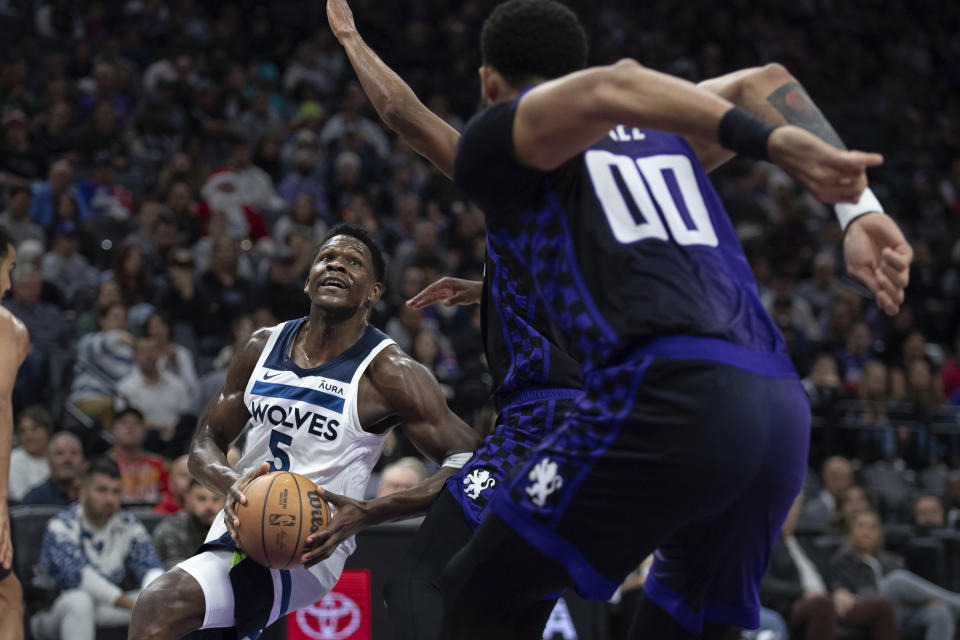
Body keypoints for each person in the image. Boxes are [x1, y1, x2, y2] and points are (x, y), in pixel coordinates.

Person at [327, 1, 911, 638]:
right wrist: (858, 208)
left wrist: (772, 144)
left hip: (665, 402)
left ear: (489, 83)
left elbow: (406, 113)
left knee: (457, 590)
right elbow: (762, 80)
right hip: (777, 415)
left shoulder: (501, 143)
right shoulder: (660, 140)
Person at [328, 3, 584, 637]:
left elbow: (402, 116)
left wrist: (348, 34)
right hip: (598, 427)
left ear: (490, 81)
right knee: (509, 608)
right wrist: (489, 288)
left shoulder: (518, 166)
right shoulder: (599, 171)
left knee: (420, 582)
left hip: (538, 424)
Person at [128, 224, 479, 639]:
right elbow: (206, 441)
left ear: (374, 293)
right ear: (308, 279)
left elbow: (468, 461)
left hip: (310, 545)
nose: (337, 265)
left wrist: (369, 513)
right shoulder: (262, 346)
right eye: (327, 258)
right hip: (242, 521)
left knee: (160, 605)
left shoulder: (389, 372)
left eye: (354, 262)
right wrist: (233, 482)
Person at [30, 457, 164, 640]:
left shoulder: (127, 524)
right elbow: (82, 578)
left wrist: (155, 599)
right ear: (82, 492)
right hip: (52, 611)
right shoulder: (61, 526)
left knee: (162, 600)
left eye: (116, 492)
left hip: (106, 606)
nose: (110, 499)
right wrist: (134, 606)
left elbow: (151, 565)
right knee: (80, 601)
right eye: (102, 490)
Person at [761, 494, 897, 640]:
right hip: (793, 605)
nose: (790, 513)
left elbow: (830, 572)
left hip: (827, 600)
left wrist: (840, 590)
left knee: (882, 606)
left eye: (793, 509)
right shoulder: (766, 545)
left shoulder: (806, 543)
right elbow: (766, 584)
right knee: (821, 604)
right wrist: (803, 592)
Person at [830, 510, 960, 640]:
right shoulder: (842, 562)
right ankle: (955, 602)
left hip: (903, 611)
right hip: (872, 609)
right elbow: (840, 590)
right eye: (861, 526)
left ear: (879, 533)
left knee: (940, 612)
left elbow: (910, 592)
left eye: (872, 527)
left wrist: (926, 602)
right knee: (896, 580)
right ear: (851, 531)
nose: (866, 532)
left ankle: (950, 603)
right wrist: (840, 592)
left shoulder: (892, 560)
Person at [0, 225, 30, 640]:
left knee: (9, 596)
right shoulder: (10, 331)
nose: (8, 284)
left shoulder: (12, 333)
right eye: (6, 268)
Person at [152, 479, 224, 569]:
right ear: (188, 499)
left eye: (216, 499)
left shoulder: (229, 531)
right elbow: (176, 572)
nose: (209, 506)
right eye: (201, 499)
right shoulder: (171, 530)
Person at [108, 406, 168, 507]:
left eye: (136, 423)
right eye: (124, 423)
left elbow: (167, 495)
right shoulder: (105, 463)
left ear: (145, 431)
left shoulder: (159, 463)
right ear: (112, 430)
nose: (130, 427)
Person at [20, 431, 86, 506]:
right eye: (60, 453)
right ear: (49, 460)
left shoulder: (94, 496)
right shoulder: (34, 500)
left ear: (83, 460)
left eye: (74, 453)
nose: (67, 459)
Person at [8, 405, 53, 502]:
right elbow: (21, 498)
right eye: (22, 431)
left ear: (48, 431)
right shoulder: (13, 460)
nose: (28, 436)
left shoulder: (59, 455)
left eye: (34, 429)